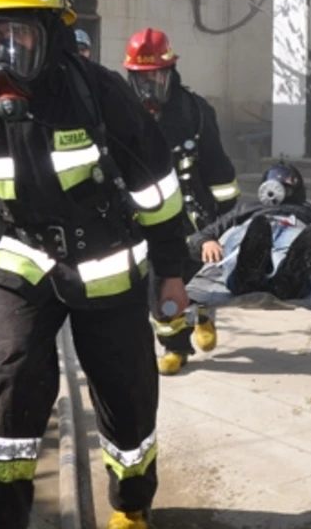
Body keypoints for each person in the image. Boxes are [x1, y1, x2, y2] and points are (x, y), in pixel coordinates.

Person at [0, 0, 189, 529]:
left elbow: (158, 191)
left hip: (107, 261)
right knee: (11, 380)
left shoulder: (102, 94)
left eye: (21, 31)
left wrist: (172, 270)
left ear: (52, 33)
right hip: (22, 257)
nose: (9, 48)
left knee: (127, 391)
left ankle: (131, 504)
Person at [123, 27, 241, 375]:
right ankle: (175, 346)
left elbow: (218, 168)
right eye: (141, 79)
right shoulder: (121, 110)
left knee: (197, 274)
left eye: (155, 77)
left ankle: (204, 313)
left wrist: (226, 223)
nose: (148, 87)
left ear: (170, 72)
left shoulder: (195, 111)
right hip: (146, 215)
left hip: (193, 214)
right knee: (158, 284)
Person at [190, 161, 311, 300]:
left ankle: (289, 281)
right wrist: (206, 242)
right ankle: (244, 277)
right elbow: (204, 233)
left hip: (293, 227)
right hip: (252, 229)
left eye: (285, 178)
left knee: (293, 247)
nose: (277, 182)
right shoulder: (246, 208)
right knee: (243, 243)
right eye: (272, 177)